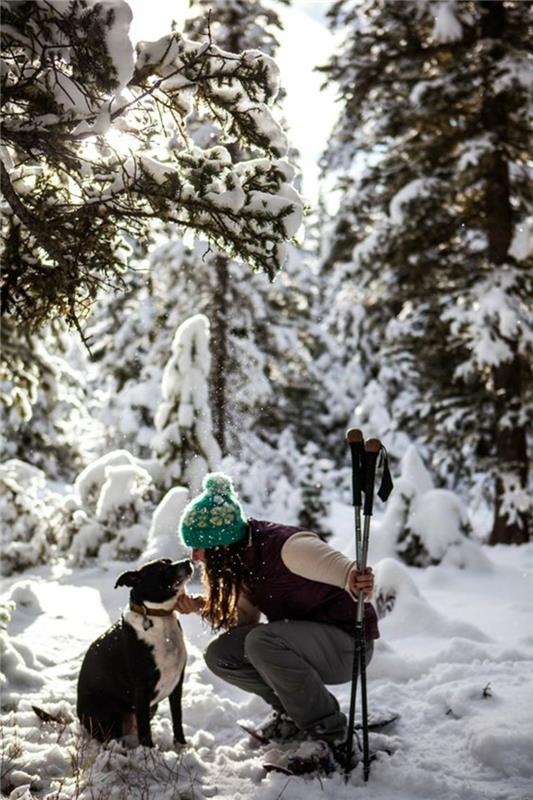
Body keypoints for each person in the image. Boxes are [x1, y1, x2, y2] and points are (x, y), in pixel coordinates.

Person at [175, 471, 378, 771]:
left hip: (348, 645)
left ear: (220, 545)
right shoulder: (243, 561)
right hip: (305, 644)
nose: (195, 556)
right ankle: (295, 715)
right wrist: (200, 606)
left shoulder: (286, 548)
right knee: (222, 655)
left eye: (199, 547)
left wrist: (354, 577)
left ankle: (331, 734)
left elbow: (341, 567)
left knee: (261, 641)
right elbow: (244, 621)